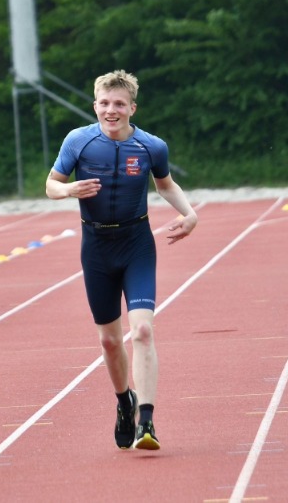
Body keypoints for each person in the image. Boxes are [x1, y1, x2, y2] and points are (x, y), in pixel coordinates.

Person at [46, 69, 198, 451]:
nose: (111, 111)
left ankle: (146, 420)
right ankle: (123, 402)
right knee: (110, 341)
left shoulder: (151, 146)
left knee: (143, 331)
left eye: (118, 104)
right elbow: (50, 185)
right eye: (104, 103)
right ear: (95, 105)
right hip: (96, 247)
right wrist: (68, 190)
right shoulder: (78, 141)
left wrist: (190, 214)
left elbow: (165, 185)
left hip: (135, 244)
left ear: (132, 107)